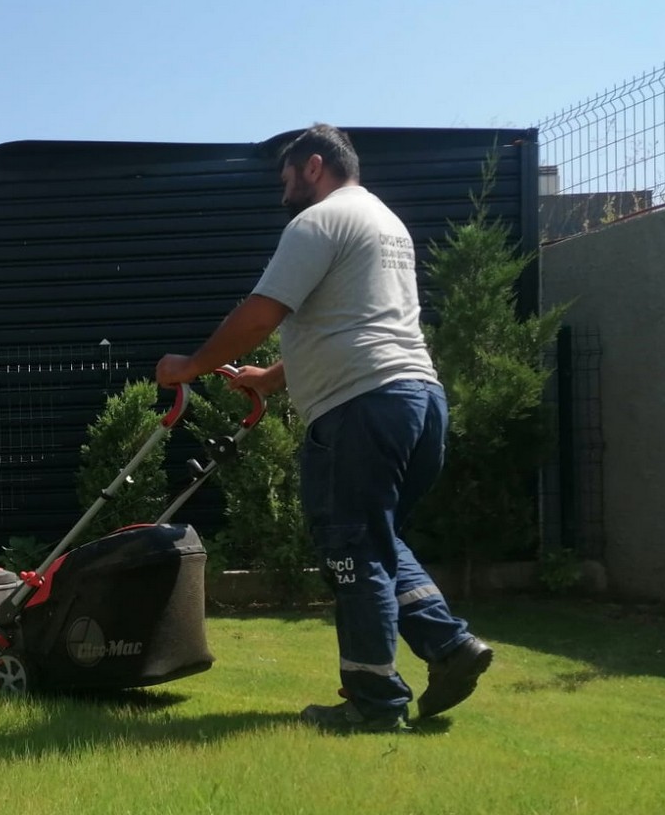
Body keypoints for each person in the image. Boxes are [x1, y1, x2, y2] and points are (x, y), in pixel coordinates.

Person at [155, 124, 492, 732]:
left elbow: (261, 314)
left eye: (285, 177)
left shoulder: (318, 221)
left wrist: (191, 366)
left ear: (314, 165)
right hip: (419, 400)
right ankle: (449, 646)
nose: (282, 190)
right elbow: (356, 323)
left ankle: (374, 700)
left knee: (351, 549)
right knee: (376, 540)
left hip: (361, 407)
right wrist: (271, 378)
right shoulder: (386, 222)